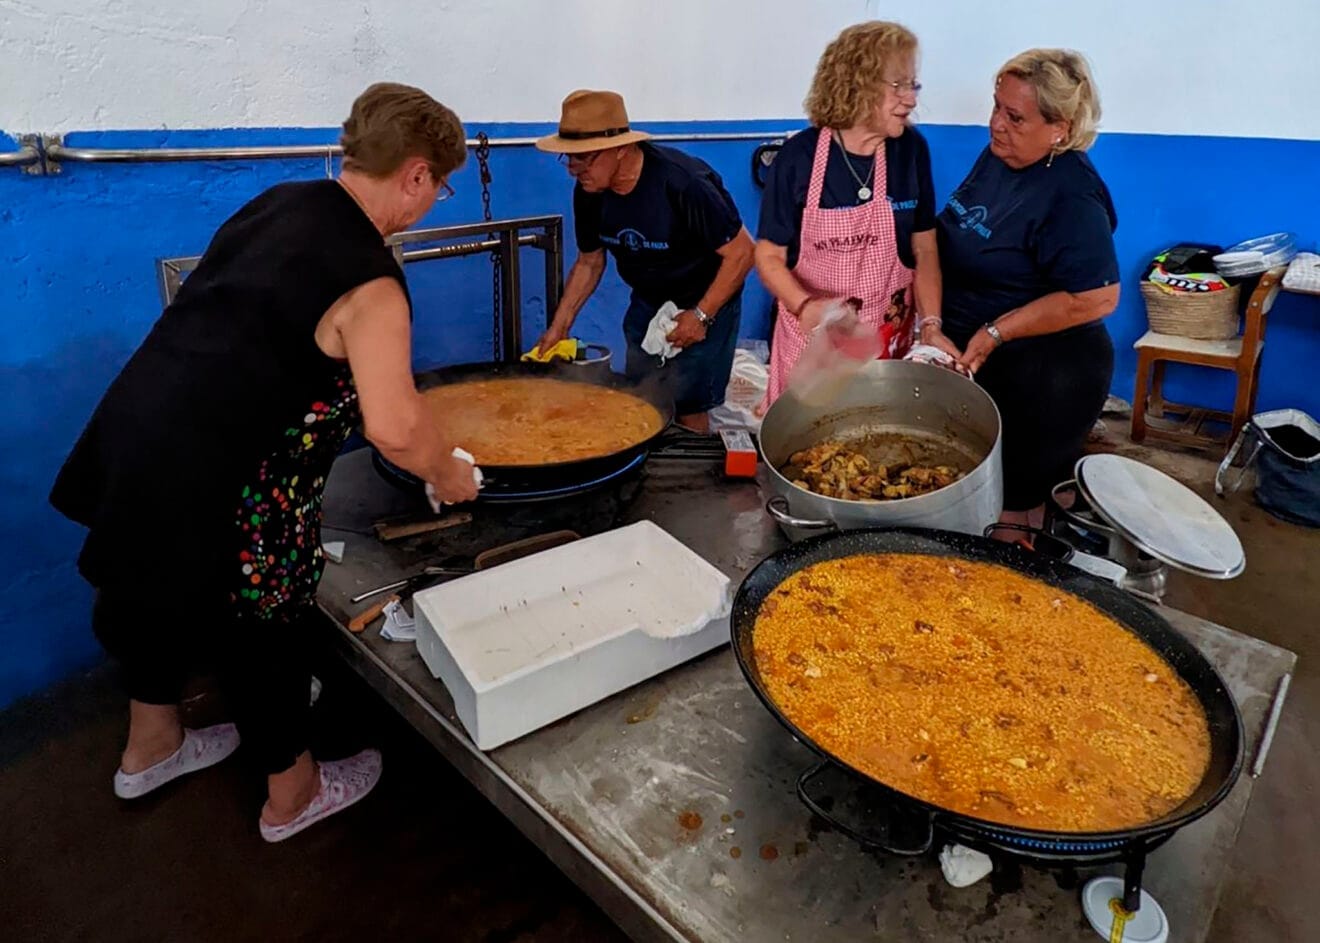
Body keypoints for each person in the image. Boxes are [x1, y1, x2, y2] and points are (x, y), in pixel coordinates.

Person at [48, 83, 480, 842]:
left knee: (147, 592)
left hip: (139, 432)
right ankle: (295, 795)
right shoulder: (371, 278)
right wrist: (451, 474)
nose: (433, 202)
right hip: (232, 478)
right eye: (439, 188)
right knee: (267, 627)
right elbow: (396, 426)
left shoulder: (281, 202)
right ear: (415, 173)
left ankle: (152, 748)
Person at [935, 49, 1120, 534]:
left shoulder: (1071, 192)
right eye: (996, 107)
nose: (997, 124)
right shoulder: (1000, 156)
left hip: (1043, 379)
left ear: (1060, 127)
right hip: (983, 362)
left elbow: (1098, 297)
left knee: (1008, 516)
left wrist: (996, 332)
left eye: (1015, 116)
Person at [755, 21, 952, 410]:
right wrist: (805, 306)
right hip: (813, 343)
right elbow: (768, 255)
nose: (910, 99)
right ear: (855, 84)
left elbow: (925, 248)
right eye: (897, 85)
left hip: (884, 341)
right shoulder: (799, 159)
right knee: (801, 441)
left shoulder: (910, 149)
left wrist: (931, 325)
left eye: (914, 84)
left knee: (871, 443)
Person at [535, 89, 755, 433]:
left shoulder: (683, 182)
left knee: (689, 405)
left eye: (585, 158)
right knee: (641, 399)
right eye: (569, 158)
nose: (574, 170)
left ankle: (690, 480)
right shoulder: (589, 192)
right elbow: (590, 262)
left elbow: (742, 252)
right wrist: (559, 328)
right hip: (649, 301)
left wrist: (700, 315)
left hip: (706, 299)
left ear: (621, 148)